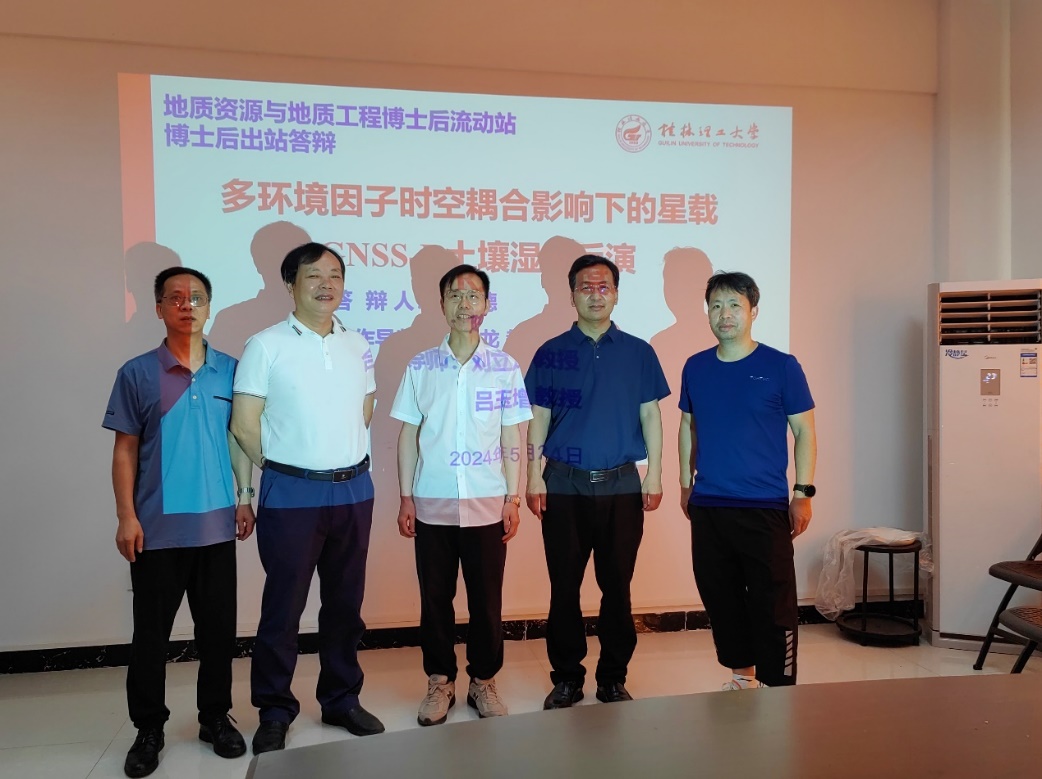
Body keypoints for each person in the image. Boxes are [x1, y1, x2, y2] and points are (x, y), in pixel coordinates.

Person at [230, 243, 383, 754]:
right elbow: (244, 424)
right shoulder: (265, 345)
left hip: (354, 490)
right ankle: (274, 710)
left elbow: (366, 405)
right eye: (313, 275)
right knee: (284, 607)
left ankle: (341, 699)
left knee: (345, 605)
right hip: (292, 492)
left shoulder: (357, 343)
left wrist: (337, 456)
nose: (326, 284)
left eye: (335, 274)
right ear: (290, 284)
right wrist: (286, 463)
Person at [103, 267, 255, 778]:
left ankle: (215, 718)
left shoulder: (231, 371)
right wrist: (126, 516)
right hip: (157, 531)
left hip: (216, 529)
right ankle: (148, 728)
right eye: (176, 298)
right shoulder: (137, 373)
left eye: (197, 297)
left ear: (209, 306)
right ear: (159, 308)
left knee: (218, 635)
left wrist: (245, 497)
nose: (187, 305)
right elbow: (124, 451)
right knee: (150, 637)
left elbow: (239, 440)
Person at [525, 255, 669, 709]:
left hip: (622, 485)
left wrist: (655, 474)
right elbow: (538, 419)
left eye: (603, 286)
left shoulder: (639, 352)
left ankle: (612, 678)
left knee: (617, 588)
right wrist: (533, 477)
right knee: (564, 588)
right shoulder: (550, 352)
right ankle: (567, 678)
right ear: (571, 295)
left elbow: (651, 416)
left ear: (616, 294)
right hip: (563, 485)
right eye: (585, 287)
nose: (595, 294)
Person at [391, 264, 532, 726]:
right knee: (435, 599)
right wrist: (406, 496)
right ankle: (439, 681)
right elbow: (408, 435)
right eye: (455, 295)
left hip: (487, 504)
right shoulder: (421, 366)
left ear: (486, 305)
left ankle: (483, 680)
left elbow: (512, 435)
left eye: (473, 295)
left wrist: (512, 498)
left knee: (486, 600)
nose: (464, 303)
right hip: (432, 503)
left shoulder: (504, 367)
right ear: (442, 305)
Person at [677, 271, 817, 690]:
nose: (725, 314)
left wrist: (803, 493)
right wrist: (685, 483)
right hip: (710, 504)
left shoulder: (781, 366)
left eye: (734, 305)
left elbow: (805, 432)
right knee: (721, 598)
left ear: (753, 311)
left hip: (764, 506)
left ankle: (779, 687)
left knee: (773, 602)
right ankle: (743, 676)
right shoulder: (696, 366)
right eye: (716, 305)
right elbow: (688, 426)